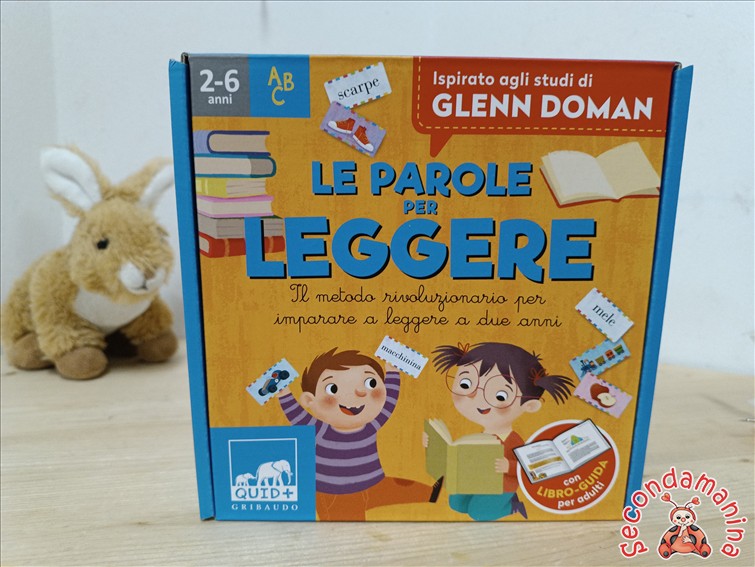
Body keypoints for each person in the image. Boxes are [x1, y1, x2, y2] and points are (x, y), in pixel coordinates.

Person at [278, 347, 442, 520]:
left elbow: (389, 403)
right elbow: (296, 415)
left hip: (373, 483)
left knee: (399, 487)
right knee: (348, 525)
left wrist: (392, 372)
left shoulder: (370, 426)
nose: (359, 393)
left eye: (371, 383)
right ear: (309, 400)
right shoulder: (321, 430)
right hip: (336, 493)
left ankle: (430, 494)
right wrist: (284, 393)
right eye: (332, 388)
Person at [430, 342, 573, 521]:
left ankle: (513, 505)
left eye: (500, 396)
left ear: (529, 405)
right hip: (478, 479)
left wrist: (508, 466)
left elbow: (528, 469)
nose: (475, 397)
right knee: (457, 504)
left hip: (501, 485)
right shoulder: (480, 437)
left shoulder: (513, 440)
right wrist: (436, 445)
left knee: (478, 514)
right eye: (466, 384)